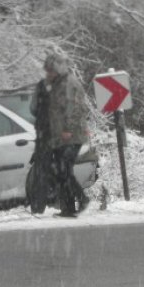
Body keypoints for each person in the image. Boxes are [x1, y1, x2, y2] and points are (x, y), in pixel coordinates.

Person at [29, 53, 90, 217]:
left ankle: (81, 199)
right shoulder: (58, 83)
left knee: (63, 170)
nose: (48, 74)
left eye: (51, 71)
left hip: (71, 135)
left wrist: (68, 129)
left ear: (58, 70)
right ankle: (70, 207)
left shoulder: (68, 83)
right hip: (63, 136)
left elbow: (74, 108)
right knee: (63, 171)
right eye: (47, 71)